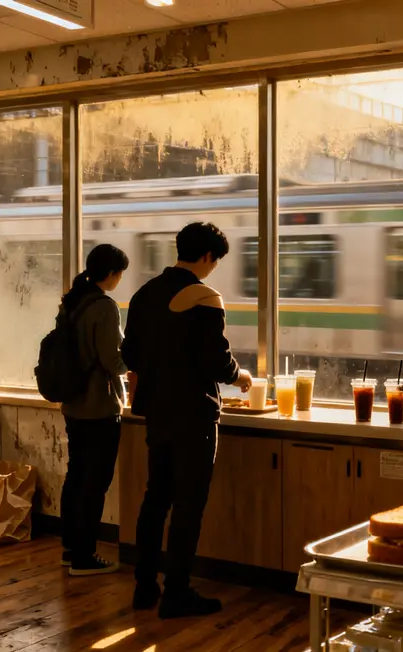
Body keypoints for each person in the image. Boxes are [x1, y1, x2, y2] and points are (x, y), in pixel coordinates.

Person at [121, 222, 253, 619]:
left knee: (155, 499)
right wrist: (240, 377)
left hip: (157, 412)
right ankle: (177, 592)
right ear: (208, 257)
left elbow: (130, 355)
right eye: (216, 261)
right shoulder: (205, 296)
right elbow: (216, 359)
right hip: (195, 414)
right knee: (188, 505)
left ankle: (145, 588)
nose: (215, 268)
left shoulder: (145, 294)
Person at [59, 244, 130, 576]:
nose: (120, 279)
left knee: (76, 476)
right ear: (111, 273)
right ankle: (84, 557)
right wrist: (136, 353)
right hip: (99, 407)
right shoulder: (104, 307)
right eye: (119, 273)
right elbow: (113, 361)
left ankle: (71, 547)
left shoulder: (73, 301)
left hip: (73, 404)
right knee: (95, 482)